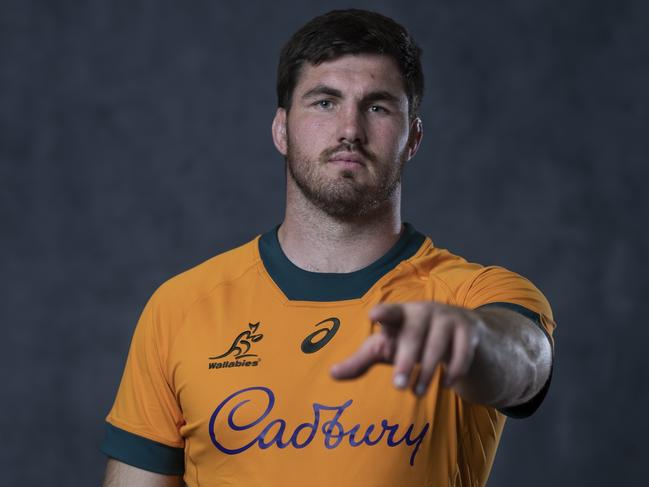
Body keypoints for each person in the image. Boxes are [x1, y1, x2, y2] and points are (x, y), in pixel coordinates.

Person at [101, 8, 555, 487]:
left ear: (413, 138)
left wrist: (472, 341)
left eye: (377, 106)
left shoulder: (471, 297)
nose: (350, 130)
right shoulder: (181, 308)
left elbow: (526, 360)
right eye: (324, 102)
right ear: (282, 129)